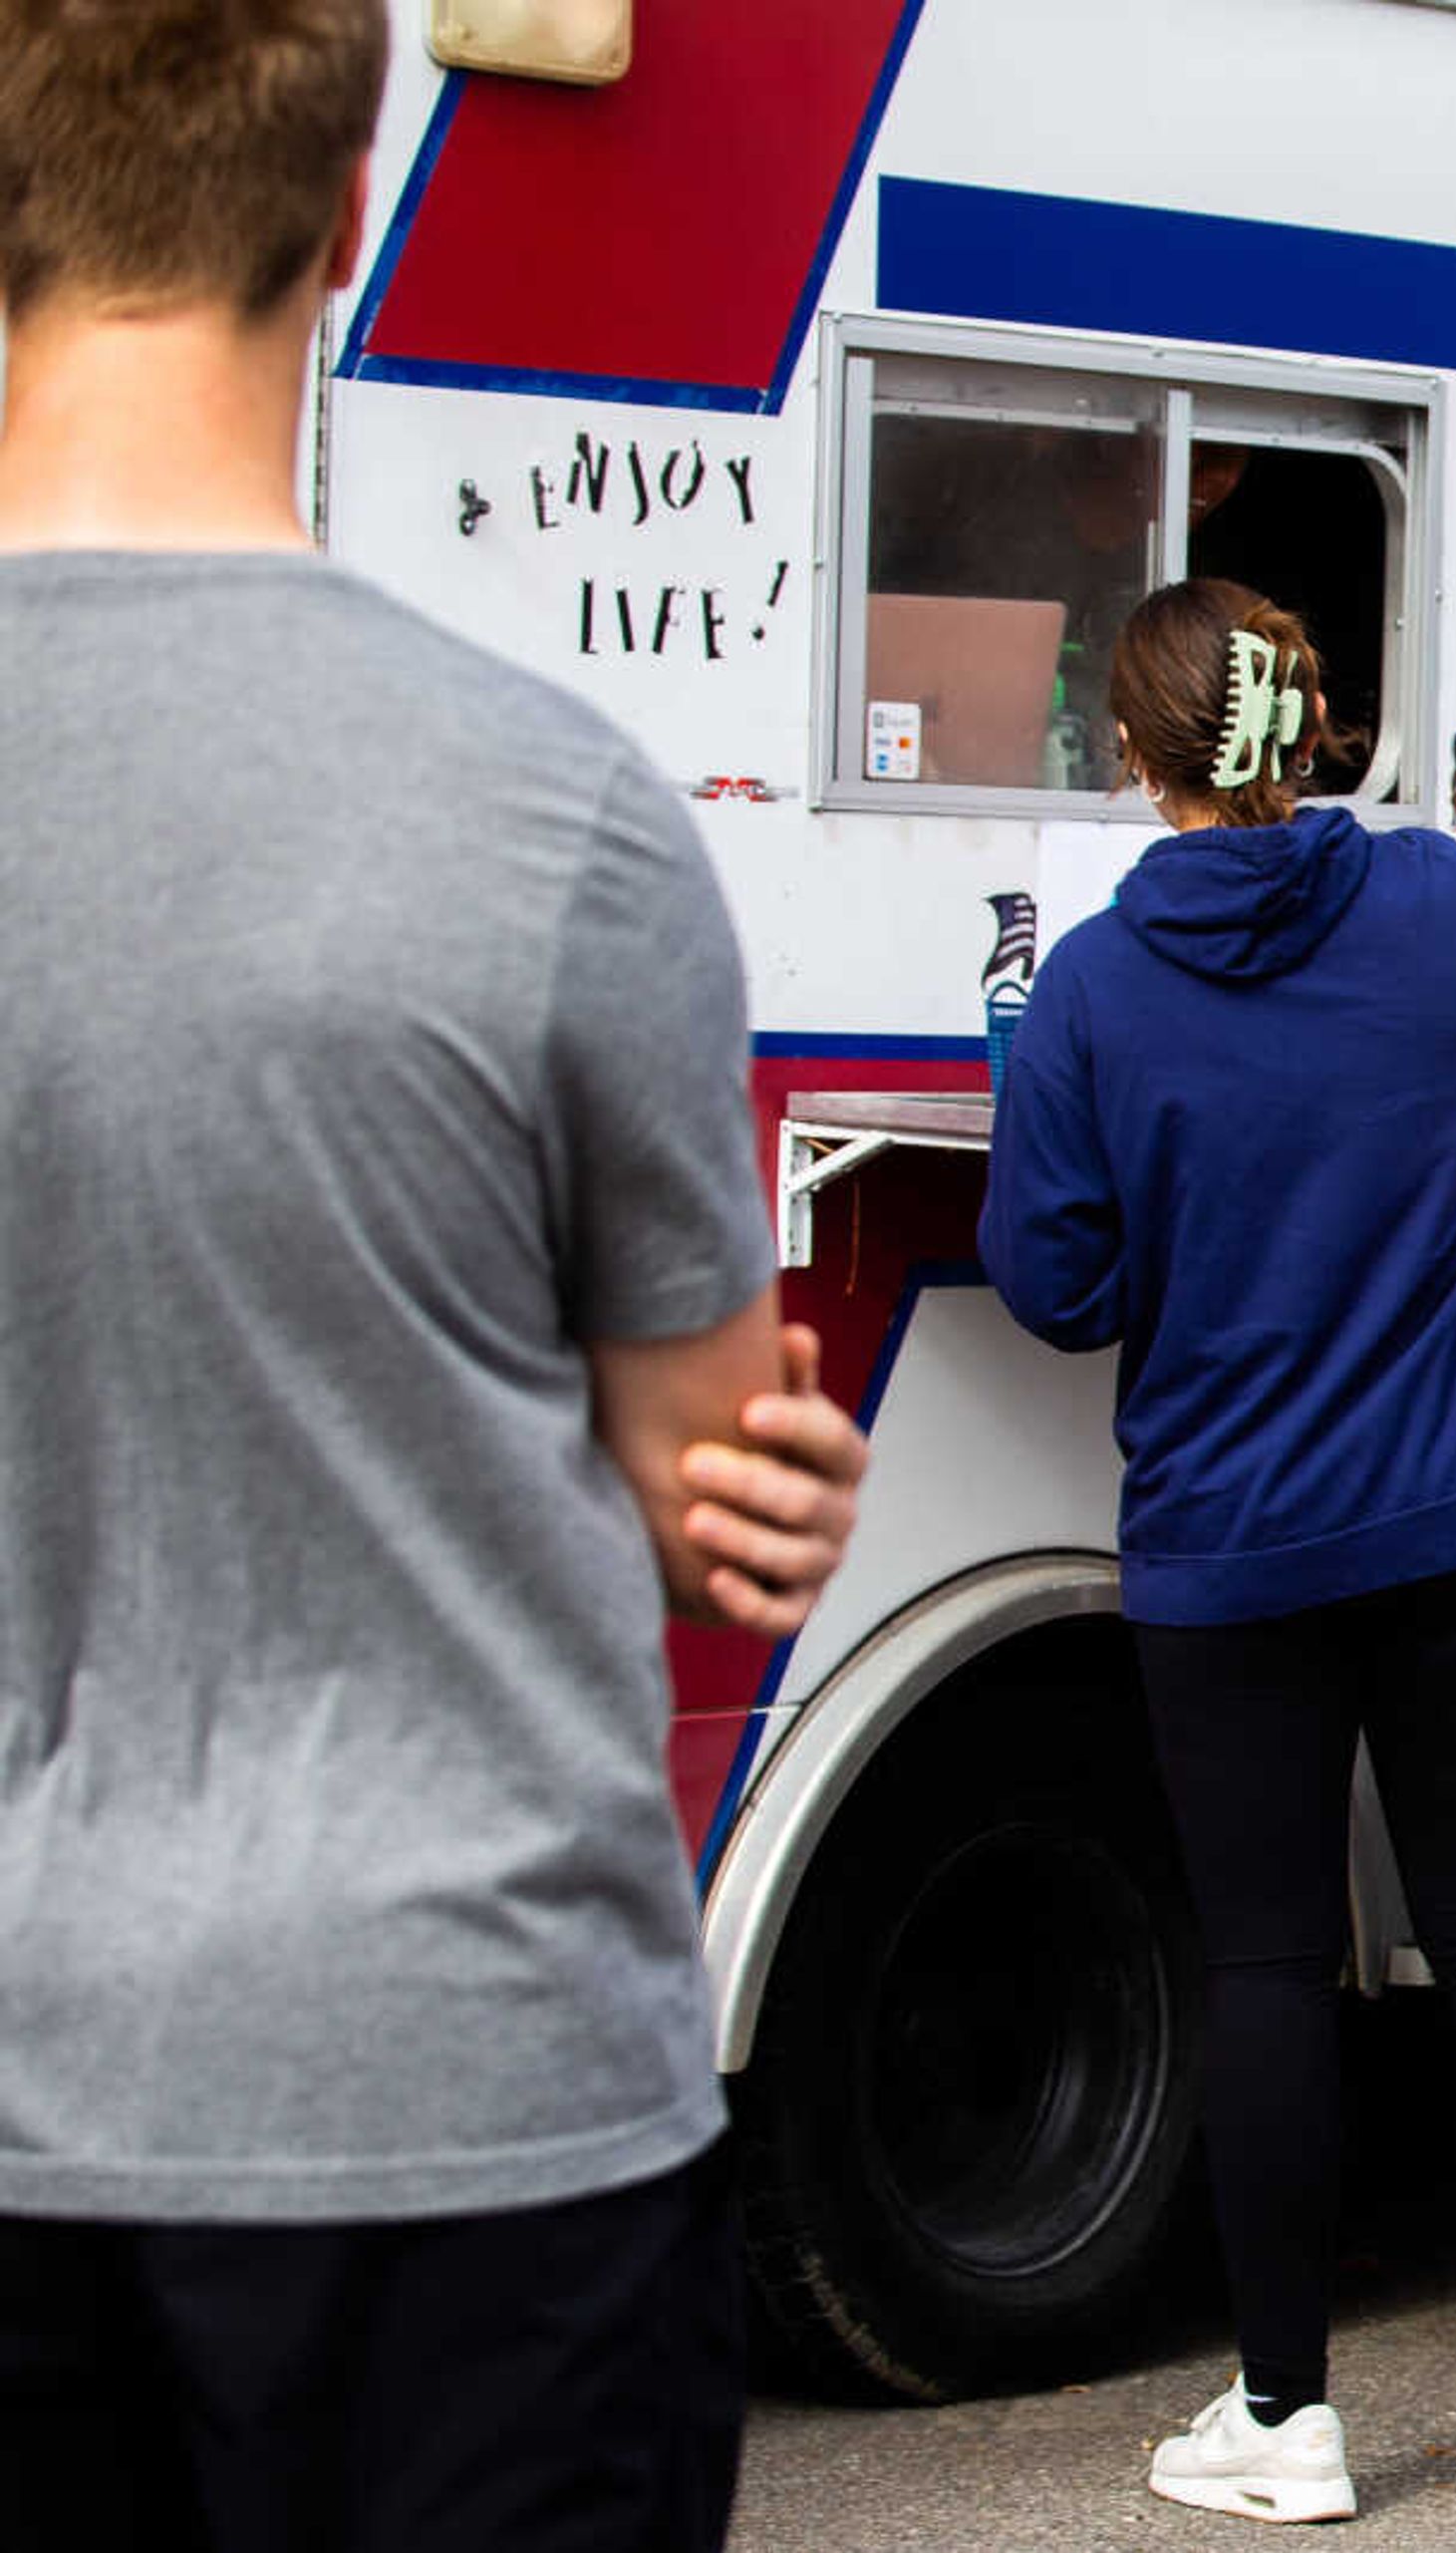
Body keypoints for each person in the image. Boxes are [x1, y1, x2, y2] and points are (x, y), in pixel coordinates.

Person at [0, 6, 873, 2546]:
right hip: (468, 2102)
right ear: (348, 213)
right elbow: (715, 1472)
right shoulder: (551, 819)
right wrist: (757, 1494)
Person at [978, 578, 1456, 2521]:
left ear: (1133, 758)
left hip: (1236, 1541)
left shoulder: (1100, 985)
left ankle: (1290, 2418)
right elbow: (1403, 1018)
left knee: (1270, 1964)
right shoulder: (1435, 900)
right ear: (1315, 731)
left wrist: (1046, 1074)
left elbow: (1053, 1277)